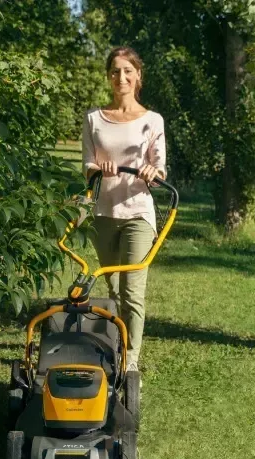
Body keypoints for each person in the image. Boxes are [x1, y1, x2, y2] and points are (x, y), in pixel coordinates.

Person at [81, 46, 166, 375]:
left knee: (132, 290)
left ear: (138, 76)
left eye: (128, 71)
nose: (122, 77)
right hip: (103, 215)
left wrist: (150, 172)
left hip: (138, 215)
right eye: (115, 71)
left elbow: (161, 172)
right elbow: (87, 165)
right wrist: (97, 167)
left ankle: (129, 365)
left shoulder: (152, 120)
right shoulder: (93, 119)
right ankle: (116, 345)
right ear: (108, 77)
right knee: (114, 289)